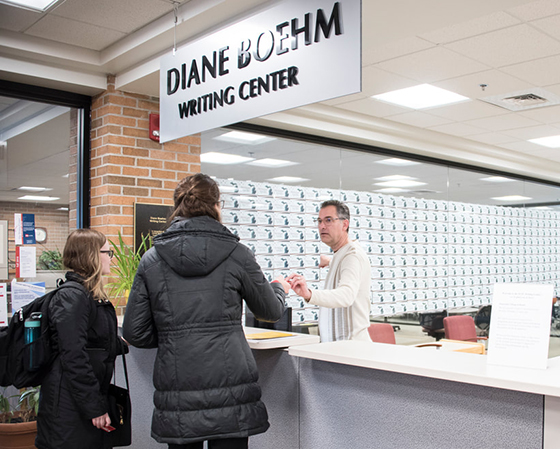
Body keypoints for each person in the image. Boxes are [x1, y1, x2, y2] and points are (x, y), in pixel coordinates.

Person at [123, 173, 289, 449]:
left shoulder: (152, 259)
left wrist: (172, 337)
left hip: (178, 388)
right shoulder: (237, 253)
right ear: (216, 206)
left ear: (177, 206)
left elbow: (134, 332)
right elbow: (270, 311)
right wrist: (279, 288)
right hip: (231, 387)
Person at [36, 228, 127, 449]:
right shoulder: (72, 296)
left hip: (80, 403)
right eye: (108, 253)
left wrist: (121, 344)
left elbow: (92, 341)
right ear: (93, 256)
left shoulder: (87, 294)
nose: (111, 259)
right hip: (68, 408)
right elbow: (73, 356)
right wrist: (94, 407)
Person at [286, 199, 372, 342]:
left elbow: (346, 295)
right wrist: (330, 262)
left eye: (328, 220)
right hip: (337, 348)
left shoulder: (352, 255)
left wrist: (309, 294)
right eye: (319, 221)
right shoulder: (342, 254)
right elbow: (345, 268)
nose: (322, 226)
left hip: (350, 350)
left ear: (345, 224)